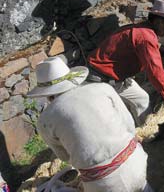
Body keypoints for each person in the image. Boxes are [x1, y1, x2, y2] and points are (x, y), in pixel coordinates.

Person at [28, 57, 152, 192]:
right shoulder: (104, 88)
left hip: (103, 184)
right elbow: (129, 124)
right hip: (137, 163)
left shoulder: (44, 121)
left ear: (47, 94)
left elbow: (64, 157)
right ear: (71, 78)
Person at [86, 0, 164, 125]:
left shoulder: (139, 29)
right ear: (159, 22)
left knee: (141, 100)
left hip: (115, 78)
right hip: (101, 79)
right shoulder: (146, 37)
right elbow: (155, 70)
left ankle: (147, 131)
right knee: (109, 117)